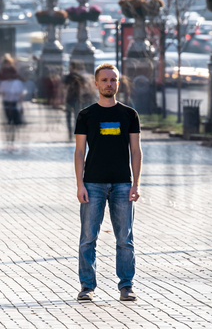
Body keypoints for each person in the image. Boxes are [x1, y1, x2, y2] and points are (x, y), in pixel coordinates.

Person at [74, 63, 143, 302]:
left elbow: (136, 150)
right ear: (96, 84)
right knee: (88, 239)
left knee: (125, 239)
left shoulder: (129, 115)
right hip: (92, 183)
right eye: (104, 80)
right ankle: (87, 286)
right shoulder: (86, 115)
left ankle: (126, 286)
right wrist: (79, 184)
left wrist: (136, 183)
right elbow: (79, 151)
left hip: (123, 183)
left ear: (118, 83)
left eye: (113, 80)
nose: (109, 84)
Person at [0, 66, 25, 152]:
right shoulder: (3, 83)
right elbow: (1, 94)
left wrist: (21, 106)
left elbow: (20, 95)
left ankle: (11, 142)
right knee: (7, 125)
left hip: (14, 104)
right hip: (6, 105)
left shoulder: (18, 83)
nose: (9, 75)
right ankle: (7, 142)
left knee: (13, 125)